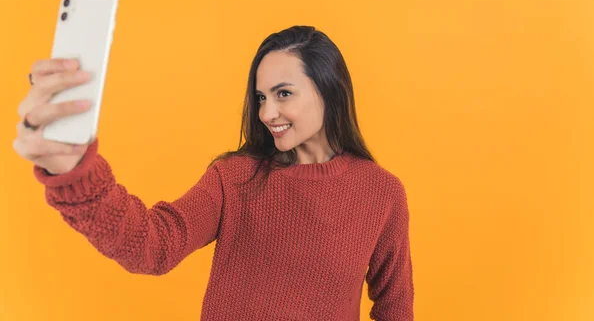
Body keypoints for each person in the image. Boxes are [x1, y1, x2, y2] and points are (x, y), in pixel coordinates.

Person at [13, 25, 414, 320]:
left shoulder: (381, 193)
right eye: (260, 97)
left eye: (283, 94)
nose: (266, 113)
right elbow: (152, 246)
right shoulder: (234, 178)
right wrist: (75, 171)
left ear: (330, 91)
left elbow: (395, 309)